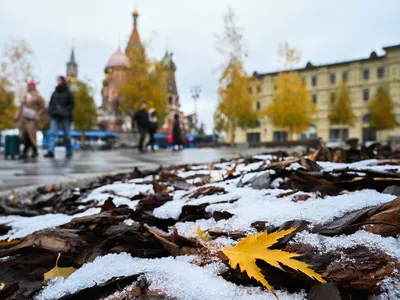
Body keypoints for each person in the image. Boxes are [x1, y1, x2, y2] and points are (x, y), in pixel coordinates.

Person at [44, 76, 74, 158]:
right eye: (57, 80)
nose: (58, 82)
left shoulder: (68, 92)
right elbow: (51, 103)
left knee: (67, 135)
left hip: (65, 116)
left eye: (59, 80)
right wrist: (52, 110)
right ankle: (50, 151)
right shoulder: (55, 93)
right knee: (52, 133)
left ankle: (69, 151)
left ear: (63, 81)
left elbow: (71, 104)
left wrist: (65, 110)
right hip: (55, 115)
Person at [15, 80, 45, 159]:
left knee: (31, 134)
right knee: (25, 134)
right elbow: (21, 107)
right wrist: (17, 116)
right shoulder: (26, 96)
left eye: (31, 86)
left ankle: (26, 152)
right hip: (24, 119)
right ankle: (33, 151)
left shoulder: (38, 96)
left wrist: (37, 114)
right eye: (29, 86)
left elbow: (42, 108)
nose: (30, 87)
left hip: (32, 119)